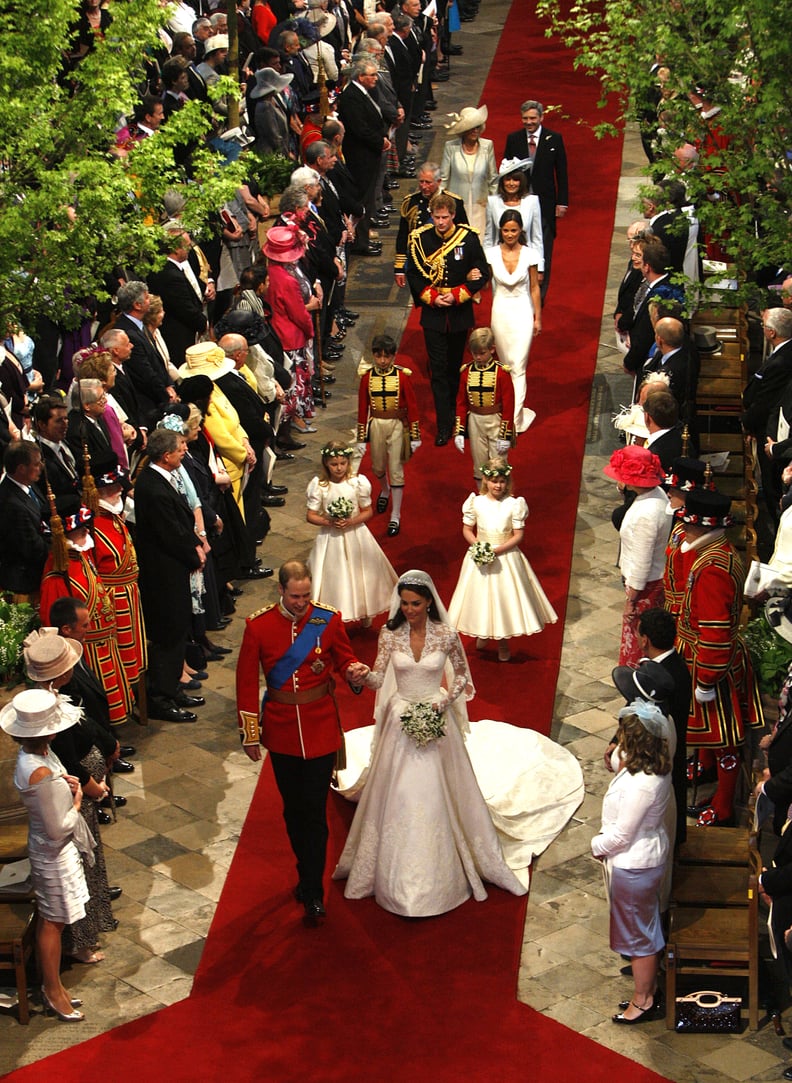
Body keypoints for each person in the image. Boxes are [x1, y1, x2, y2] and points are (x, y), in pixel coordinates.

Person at [333, 570, 528, 916]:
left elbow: (462, 677)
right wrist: (360, 676)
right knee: (402, 793)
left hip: (437, 718)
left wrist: (443, 702)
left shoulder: (446, 635)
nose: (408, 609)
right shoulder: (389, 635)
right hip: (400, 719)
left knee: (443, 791)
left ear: (428, 603)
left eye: (415, 604)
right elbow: (379, 679)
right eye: (404, 603)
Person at [235, 559, 368, 926]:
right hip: (281, 733)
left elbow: (344, 660)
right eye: (295, 596)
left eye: (307, 595)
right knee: (294, 812)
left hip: (321, 728)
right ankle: (304, 872)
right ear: (281, 591)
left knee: (314, 812)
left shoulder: (327, 620)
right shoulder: (258, 627)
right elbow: (246, 683)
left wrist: (354, 671)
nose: (301, 603)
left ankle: (313, 889)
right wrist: (250, 734)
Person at [23, 630, 117, 966]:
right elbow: (65, 757)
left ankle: (93, 921)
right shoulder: (42, 718)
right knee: (76, 876)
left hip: (79, 799)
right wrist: (88, 791)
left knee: (88, 866)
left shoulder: (59, 696)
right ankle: (79, 940)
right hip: (69, 813)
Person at [2, 688, 94, 1022]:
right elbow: (58, 826)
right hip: (52, 852)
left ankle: (54, 986)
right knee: (52, 921)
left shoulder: (41, 757)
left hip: (54, 850)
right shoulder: (37, 770)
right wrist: (77, 801)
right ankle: (52, 991)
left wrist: (66, 784)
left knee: (53, 917)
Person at [591, 702, 673, 1025]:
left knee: (640, 938)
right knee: (646, 928)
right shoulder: (653, 766)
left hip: (634, 864)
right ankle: (648, 991)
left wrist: (596, 845)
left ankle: (643, 1000)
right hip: (644, 860)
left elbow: (622, 835)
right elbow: (616, 762)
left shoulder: (642, 784)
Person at [447, 459, 557, 662]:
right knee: (480, 597)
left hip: (505, 557)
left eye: (502, 481)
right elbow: (467, 529)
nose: (498, 486)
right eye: (493, 481)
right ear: (485, 481)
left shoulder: (513, 505)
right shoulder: (476, 502)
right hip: (480, 557)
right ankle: (482, 631)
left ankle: (502, 643)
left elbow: (518, 535)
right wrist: (478, 546)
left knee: (502, 599)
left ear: (508, 482)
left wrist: (497, 550)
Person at [404, 191, 490, 446]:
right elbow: (415, 275)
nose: (440, 222)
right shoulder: (421, 239)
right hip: (433, 316)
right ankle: (444, 424)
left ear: (453, 215)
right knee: (439, 371)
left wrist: (458, 294)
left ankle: (458, 418)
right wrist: (431, 297)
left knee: (455, 369)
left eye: (444, 217)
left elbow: (482, 272)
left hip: (459, 313)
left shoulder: (468, 238)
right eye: (436, 217)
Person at [305, 443, 397, 622]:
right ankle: (336, 610)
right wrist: (329, 522)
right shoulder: (320, 486)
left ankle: (365, 610)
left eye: (342, 463)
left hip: (356, 534)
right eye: (334, 464)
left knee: (361, 574)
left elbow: (368, 511)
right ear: (326, 464)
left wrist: (351, 521)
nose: (339, 468)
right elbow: (310, 515)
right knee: (335, 575)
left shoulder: (357, 482)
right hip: (331, 537)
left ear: (348, 462)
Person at [603, 445, 670, 666]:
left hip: (644, 587)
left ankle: (637, 682)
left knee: (639, 642)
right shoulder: (656, 495)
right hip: (650, 582)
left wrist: (631, 601)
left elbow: (642, 561)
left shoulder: (647, 514)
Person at [355, 332, 421, 536]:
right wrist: (360, 437)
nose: (382, 360)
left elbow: (412, 405)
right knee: (377, 467)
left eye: (387, 356)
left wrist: (416, 434)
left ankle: (396, 515)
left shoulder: (402, 376)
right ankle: (384, 489)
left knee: (396, 469)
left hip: (397, 426)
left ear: (393, 356)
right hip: (376, 425)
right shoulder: (367, 378)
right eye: (378, 356)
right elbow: (362, 407)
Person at [503, 100, 568, 300]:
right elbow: (506, 170)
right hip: (519, 204)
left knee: (543, 250)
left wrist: (562, 202)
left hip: (545, 206)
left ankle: (540, 294)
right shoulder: (514, 139)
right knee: (520, 245)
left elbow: (562, 173)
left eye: (532, 118)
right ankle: (521, 290)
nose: (529, 122)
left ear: (541, 118)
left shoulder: (554, 139)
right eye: (525, 119)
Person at [486, 209, 542, 432]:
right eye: (506, 230)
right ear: (501, 230)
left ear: (521, 231)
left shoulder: (530, 254)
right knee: (506, 365)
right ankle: (506, 408)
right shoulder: (490, 254)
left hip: (522, 312)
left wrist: (538, 317)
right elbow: (484, 282)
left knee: (518, 365)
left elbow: (535, 288)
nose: (510, 235)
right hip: (500, 312)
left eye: (514, 230)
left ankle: (514, 419)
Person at [453, 328, 515, 485]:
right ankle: (483, 500)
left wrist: (505, 435)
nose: (478, 357)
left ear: (492, 349)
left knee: (498, 465)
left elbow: (508, 405)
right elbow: (461, 403)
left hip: (495, 421)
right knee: (480, 465)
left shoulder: (501, 372)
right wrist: (459, 431)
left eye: (482, 353)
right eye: (475, 354)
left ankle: (501, 500)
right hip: (475, 422)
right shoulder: (466, 372)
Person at [439, 104, 497, 236]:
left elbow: (493, 178)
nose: (475, 131)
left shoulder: (487, 146)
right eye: (471, 127)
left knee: (480, 240)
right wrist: (438, 203)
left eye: (477, 127)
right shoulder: (451, 147)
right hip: (457, 206)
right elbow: (444, 178)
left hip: (481, 205)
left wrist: (495, 204)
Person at [483, 158, 543, 255]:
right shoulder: (492, 201)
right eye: (508, 180)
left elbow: (537, 237)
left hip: (526, 257)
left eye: (515, 180)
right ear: (502, 182)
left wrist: (539, 264)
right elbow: (489, 237)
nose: (511, 183)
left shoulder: (532, 201)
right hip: (499, 257)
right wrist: (486, 263)